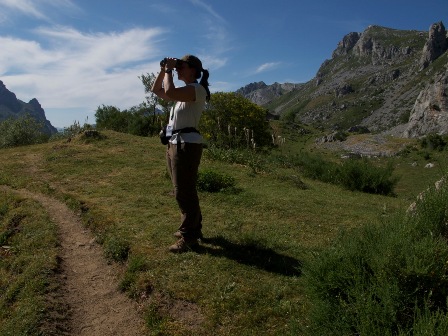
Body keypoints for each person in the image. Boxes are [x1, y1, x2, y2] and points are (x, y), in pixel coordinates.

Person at [151, 54, 210, 253]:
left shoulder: (197, 90)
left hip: (186, 145)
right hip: (176, 143)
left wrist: (168, 70)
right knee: (185, 189)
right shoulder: (184, 93)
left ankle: (188, 236)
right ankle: (195, 228)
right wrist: (163, 69)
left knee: (183, 192)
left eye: (181, 67)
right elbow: (157, 90)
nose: (177, 70)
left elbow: (169, 90)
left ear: (193, 70)